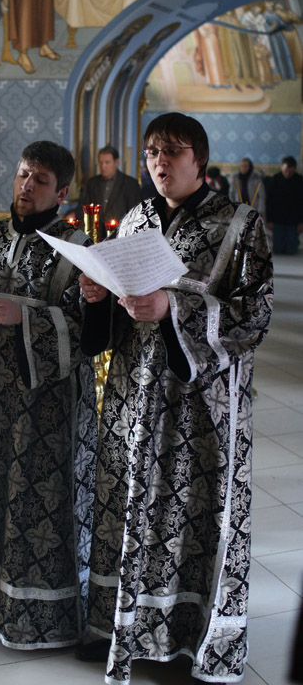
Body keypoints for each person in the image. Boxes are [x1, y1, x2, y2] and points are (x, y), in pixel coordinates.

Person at [78, 112, 273, 683]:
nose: (160, 159)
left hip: (199, 403)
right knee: (129, 503)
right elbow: (121, 298)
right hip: (134, 390)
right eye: (153, 150)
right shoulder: (135, 218)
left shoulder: (241, 223)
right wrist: (97, 293)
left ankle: (188, 639)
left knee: (189, 512)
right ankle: (124, 630)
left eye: (173, 150)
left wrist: (175, 308)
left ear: (200, 160)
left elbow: (255, 314)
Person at [0, 140, 98, 649]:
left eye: (40, 180)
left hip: (44, 404)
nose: (27, 186)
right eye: (23, 175)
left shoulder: (77, 250)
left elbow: (91, 333)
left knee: (36, 500)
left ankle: (37, 610)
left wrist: (24, 315)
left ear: (62, 192)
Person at [76, 145, 141, 240]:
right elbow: (84, 206)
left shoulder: (130, 184)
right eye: (101, 162)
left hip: (119, 235)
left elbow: (134, 213)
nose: (103, 166)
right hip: (96, 235)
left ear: (116, 162)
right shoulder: (92, 182)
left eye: (107, 162)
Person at [266, 155, 303, 255]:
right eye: (285, 170)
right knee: (278, 250)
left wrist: (301, 222)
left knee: (292, 251)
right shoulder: (274, 180)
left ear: (294, 169)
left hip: (294, 221)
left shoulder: (300, 181)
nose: (287, 173)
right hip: (277, 219)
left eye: (289, 171)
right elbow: (269, 201)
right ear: (282, 167)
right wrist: (269, 220)